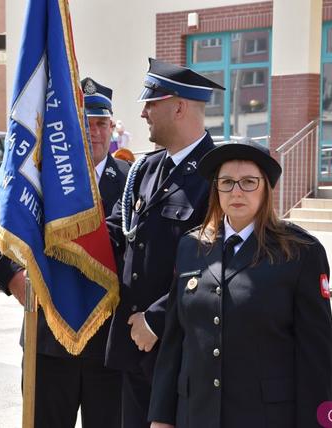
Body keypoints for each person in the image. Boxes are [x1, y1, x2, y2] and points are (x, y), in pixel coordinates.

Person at [0, 78, 130, 428]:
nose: (94, 133)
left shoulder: (131, 180)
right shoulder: (41, 179)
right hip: (49, 344)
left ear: (112, 128)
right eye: (85, 124)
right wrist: (13, 277)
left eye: (102, 124)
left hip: (109, 346)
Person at [148, 141, 332, 428]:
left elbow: (315, 359)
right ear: (216, 190)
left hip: (265, 417)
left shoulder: (300, 252)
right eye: (227, 182)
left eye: (248, 182)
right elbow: (175, 341)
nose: (236, 191)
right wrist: (161, 417)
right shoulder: (191, 246)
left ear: (266, 189)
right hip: (196, 414)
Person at [104, 57, 225, 427]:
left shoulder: (217, 173)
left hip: (179, 345)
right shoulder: (146, 168)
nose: (142, 114)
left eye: (150, 104)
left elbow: (216, 267)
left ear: (178, 107)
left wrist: (155, 320)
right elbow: (116, 236)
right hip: (133, 344)